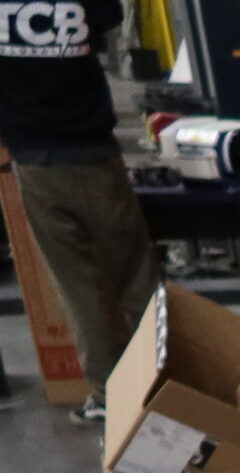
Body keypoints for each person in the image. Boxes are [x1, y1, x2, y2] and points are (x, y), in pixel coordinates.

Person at [0, 0, 160, 421]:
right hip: (95, 153)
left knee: (80, 286)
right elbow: (108, 31)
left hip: (36, 159)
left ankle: (112, 394)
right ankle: (165, 379)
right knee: (135, 276)